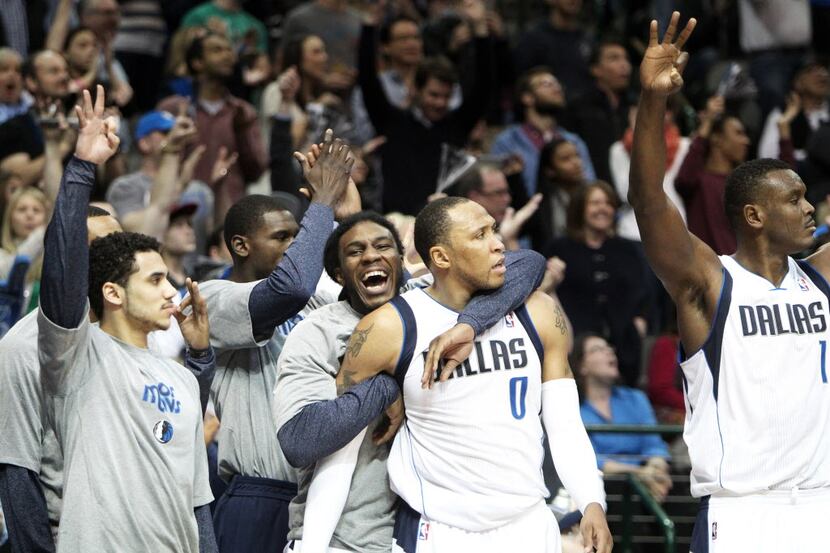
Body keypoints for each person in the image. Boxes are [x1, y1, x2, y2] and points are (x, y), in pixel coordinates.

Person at [629, 13, 830, 551]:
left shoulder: (820, 278)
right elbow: (649, 204)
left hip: (821, 502)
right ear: (755, 216)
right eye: (794, 199)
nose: (810, 208)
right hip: (743, 513)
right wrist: (653, 100)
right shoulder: (711, 282)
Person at [330, 197, 611, 552]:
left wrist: (591, 501)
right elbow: (338, 443)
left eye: (494, 229)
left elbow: (565, 424)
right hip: (439, 528)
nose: (498, 243)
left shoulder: (538, 312)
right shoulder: (388, 327)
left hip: (528, 522)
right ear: (442, 257)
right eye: (479, 235)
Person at [272, 211, 546, 552]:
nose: (372, 255)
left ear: (403, 261)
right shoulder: (317, 331)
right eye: (356, 251)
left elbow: (529, 263)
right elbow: (301, 440)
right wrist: (388, 382)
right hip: (339, 536)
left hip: (420, 529)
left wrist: (470, 324)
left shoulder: (426, 300)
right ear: (339, 274)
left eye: (383, 246)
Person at [36, 86, 215, 551]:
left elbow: (197, 501)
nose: (171, 291)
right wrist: (81, 168)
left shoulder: (179, 379)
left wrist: (201, 356)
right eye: (154, 280)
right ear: (112, 293)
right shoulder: (77, 354)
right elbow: (61, 271)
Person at [199, 131, 353, 553]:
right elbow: (289, 289)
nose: (293, 246)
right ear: (241, 245)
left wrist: (347, 220)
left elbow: (373, 306)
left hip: (320, 495)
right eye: (281, 237)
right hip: (257, 495)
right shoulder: (215, 299)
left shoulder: (317, 300)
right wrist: (319, 206)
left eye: (295, 236)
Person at [0, 206, 120, 553]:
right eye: (106, 246)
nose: (123, 255)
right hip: (68, 537)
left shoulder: (133, 334)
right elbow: (17, 471)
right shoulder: (21, 348)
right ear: (66, 255)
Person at [358, 0, 493, 215]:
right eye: (433, 95)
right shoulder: (391, 121)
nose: (440, 103)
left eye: (446, 97)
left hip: (446, 224)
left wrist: (479, 29)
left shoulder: (458, 125)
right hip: (398, 223)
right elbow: (367, 80)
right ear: (417, 90)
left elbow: (484, 85)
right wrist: (370, 23)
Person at [544, 181, 651, 386]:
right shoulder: (559, 248)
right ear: (580, 208)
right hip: (575, 347)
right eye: (595, 203)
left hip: (625, 346)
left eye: (608, 203)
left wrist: (640, 324)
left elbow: (643, 292)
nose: (603, 208)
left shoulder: (628, 249)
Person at [158, 32, 267, 223]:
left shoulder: (242, 111)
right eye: (217, 50)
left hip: (229, 216)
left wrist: (242, 132)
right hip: (181, 212)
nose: (228, 56)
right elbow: (155, 162)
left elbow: (256, 170)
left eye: (229, 50)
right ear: (197, 62)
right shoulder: (173, 109)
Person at [570, 333, 672, 502]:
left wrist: (656, 469)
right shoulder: (574, 409)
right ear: (582, 366)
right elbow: (589, 461)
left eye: (609, 347)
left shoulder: (636, 399)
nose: (609, 352)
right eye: (598, 349)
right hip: (602, 489)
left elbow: (654, 445)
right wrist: (638, 474)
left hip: (645, 485)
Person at [490, 66, 595, 198]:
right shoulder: (507, 142)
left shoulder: (573, 141)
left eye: (557, 84)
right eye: (546, 84)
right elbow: (497, 190)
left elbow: (590, 185)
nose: (556, 88)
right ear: (527, 98)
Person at [561, 38, 632, 184]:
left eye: (626, 59)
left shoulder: (635, 105)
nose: (624, 65)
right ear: (596, 69)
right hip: (595, 188)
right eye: (614, 58)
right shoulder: (578, 108)